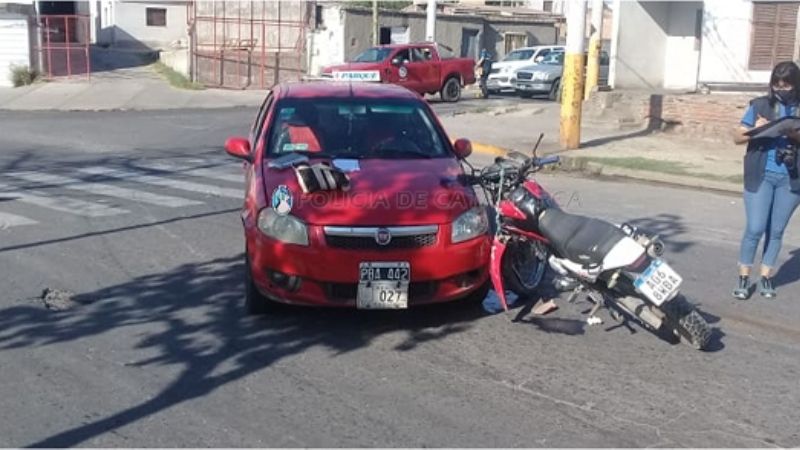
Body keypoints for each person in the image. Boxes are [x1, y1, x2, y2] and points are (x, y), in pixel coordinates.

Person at [732, 60, 800, 299]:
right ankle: (743, 277)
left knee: (777, 230)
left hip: (791, 179)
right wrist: (757, 128)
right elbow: (736, 137)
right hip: (761, 174)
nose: (782, 89)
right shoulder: (760, 105)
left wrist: (793, 134)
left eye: (787, 85)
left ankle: (767, 278)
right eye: (777, 84)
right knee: (755, 228)